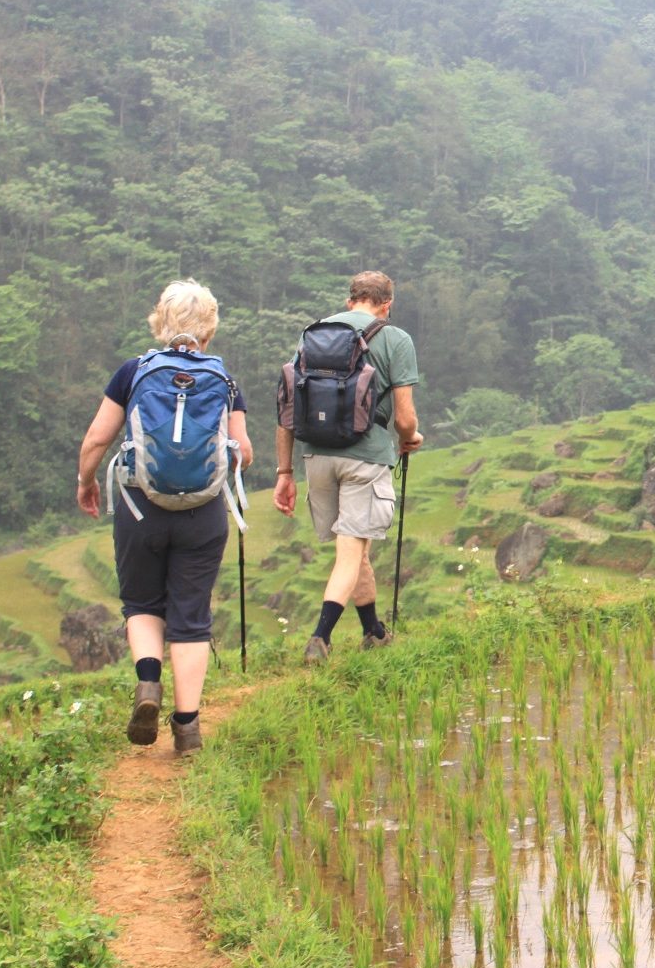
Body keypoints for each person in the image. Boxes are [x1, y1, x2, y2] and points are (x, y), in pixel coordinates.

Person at [76, 280, 253, 755]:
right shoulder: (224, 379)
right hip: (202, 513)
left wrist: (87, 481)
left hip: (140, 508)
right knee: (191, 617)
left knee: (141, 603)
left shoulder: (133, 372)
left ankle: (149, 685)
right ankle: (188, 728)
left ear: (161, 322)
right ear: (209, 327)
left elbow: (97, 439)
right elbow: (245, 454)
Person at [274, 271, 422, 663]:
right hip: (364, 457)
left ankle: (373, 631)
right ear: (387, 304)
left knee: (359, 550)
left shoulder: (313, 335)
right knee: (350, 554)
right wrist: (411, 438)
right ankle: (319, 638)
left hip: (316, 456)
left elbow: (287, 407)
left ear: (350, 300)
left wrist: (284, 472)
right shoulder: (394, 338)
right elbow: (405, 417)